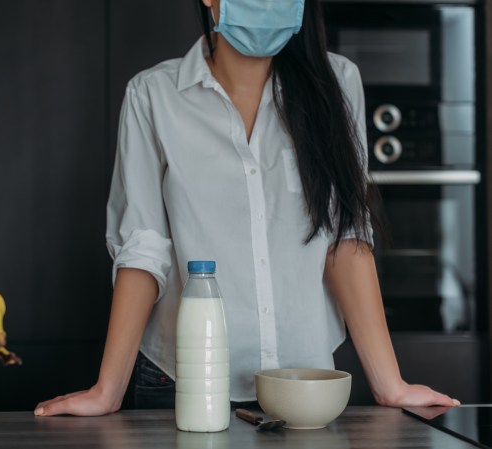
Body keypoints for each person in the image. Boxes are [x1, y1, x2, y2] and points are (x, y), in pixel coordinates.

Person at [34, 0, 460, 416]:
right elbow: (144, 249)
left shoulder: (337, 82)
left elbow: (345, 236)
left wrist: (390, 385)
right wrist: (108, 390)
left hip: (304, 385)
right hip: (182, 382)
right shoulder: (153, 95)